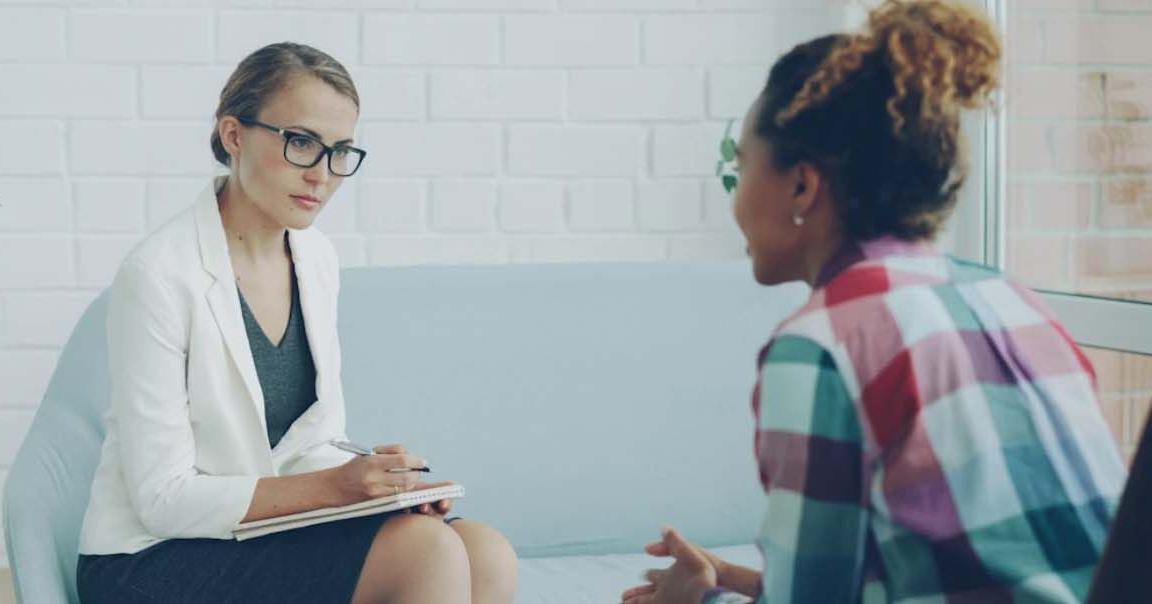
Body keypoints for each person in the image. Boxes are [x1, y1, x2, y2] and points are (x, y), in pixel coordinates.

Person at [622, 1, 1126, 602]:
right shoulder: (1010, 298)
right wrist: (735, 581)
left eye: (743, 165)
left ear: (802, 185)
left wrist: (695, 600)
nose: (735, 197)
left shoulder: (821, 344)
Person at [76, 42, 517, 604]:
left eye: (340, 152)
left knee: (484, 551)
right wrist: (335, 488)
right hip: (150, 557)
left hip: (260, 533)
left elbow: (310, 443)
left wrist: (381, 487)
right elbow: (161, 499)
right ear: (234, 135)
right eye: (302, 143)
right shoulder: (158, 275)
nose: (322, 175)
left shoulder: (315, 258)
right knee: (426, 551)